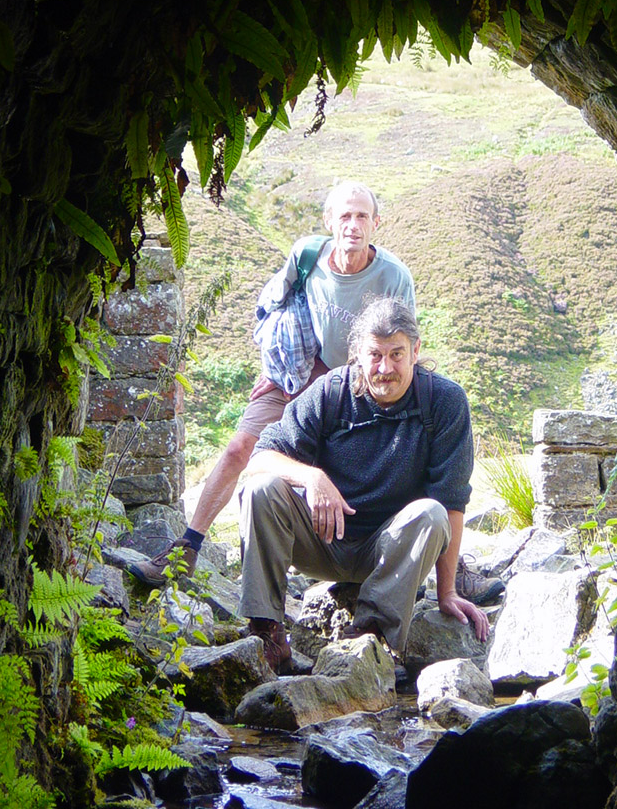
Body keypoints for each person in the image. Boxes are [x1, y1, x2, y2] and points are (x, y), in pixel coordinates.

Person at [129, 181, 415, 586]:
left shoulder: (393, 276)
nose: (353, 225)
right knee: (238, 449)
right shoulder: (307, 256)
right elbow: (272, 309)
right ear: (329, 220)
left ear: (376, 224)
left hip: (357, 385)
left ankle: (432, 563)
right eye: (345, 215)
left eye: (362, 216)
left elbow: (403, 341)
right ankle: (186, 549)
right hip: (299, 375)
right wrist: (274, 366)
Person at [238, 296, 491, 672]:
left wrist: (447, 591)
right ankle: (267, 633)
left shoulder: (445, 402)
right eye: (374, 355)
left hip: (390, 553)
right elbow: (259, 458)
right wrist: (312, 477)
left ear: (416, 351)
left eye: (397, 354)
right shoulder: (331, 392)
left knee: (431, 513)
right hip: (321, 540)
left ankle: (369, 636)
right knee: (260, 489)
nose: (385, 368)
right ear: (357, 354)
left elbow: (451, 503)